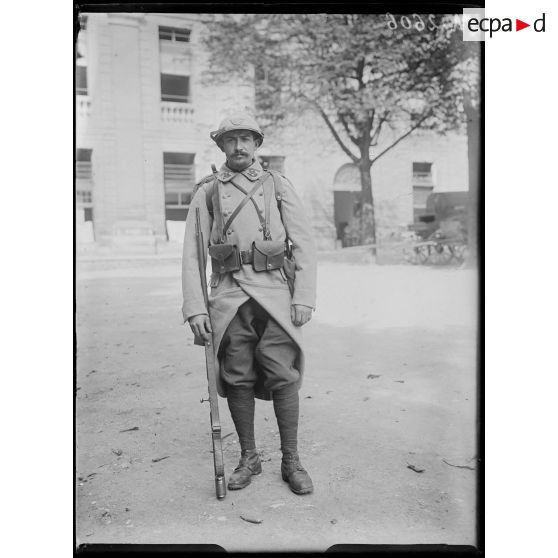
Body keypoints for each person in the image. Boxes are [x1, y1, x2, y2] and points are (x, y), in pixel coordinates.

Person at [181, 112, 317, 495]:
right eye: (231, 139)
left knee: (283, 374)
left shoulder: (277, 185)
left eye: (246, 139)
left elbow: (304, 242)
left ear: (257, 144)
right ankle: (249, 457)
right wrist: (195, 307)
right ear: (221, 146)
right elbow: (192, 254)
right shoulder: (207, 191)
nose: (238, 146)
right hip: (229, 295)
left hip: (275, 294)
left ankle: (291, 460)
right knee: (236, 374)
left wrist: (304, 296)